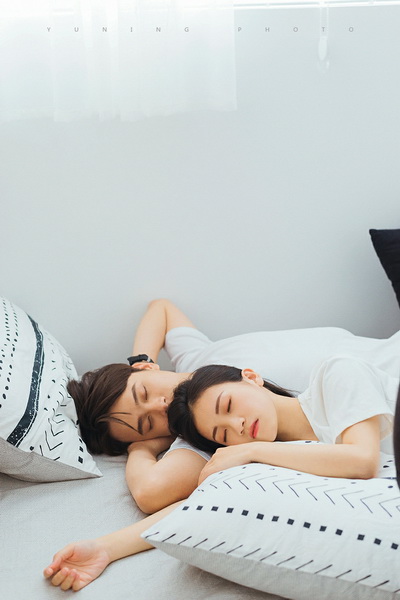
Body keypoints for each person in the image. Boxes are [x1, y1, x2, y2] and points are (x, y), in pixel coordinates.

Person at [69, 298, 400, 512]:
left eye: (144, 392)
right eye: (148, 424)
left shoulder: (195, 357)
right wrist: (142, 448)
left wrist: (141, 359)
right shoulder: (206, 437)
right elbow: (150, 492)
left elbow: (162, 308)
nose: (161, 406)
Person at [168, 359, 397, 483]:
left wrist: (251, 450)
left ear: (251, 377)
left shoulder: (336, 374)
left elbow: (363, 461)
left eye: (228, 405)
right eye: (224, 435)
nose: (237, 426)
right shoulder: (278, 463)